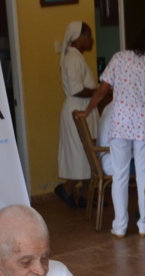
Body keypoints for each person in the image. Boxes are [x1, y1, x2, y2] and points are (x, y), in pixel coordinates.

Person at [77, 27, 145, 238]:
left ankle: (120, 226)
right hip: (144, 127)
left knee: (120, 175)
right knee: (144, 177)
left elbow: (102, 91)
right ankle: (144, 224)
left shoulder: (119, 58)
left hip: (120, 124)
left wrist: (87, 111)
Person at [56, 22, 98, 208]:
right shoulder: (73, 59)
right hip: (77, 109)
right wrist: (100, 93)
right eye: (88, 35)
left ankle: (84, 196)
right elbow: (76, 89)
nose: (91, 39)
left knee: (86, 154)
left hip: (82, 109)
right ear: (78, 37)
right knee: (81, 154)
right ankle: (67, 189)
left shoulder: (76, 57)